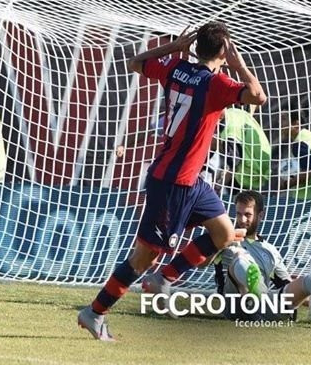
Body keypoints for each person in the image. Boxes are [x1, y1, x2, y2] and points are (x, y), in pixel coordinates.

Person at [77, 22, 267, 341]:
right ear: (224, 51)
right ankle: (94, 313)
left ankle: (164, 279)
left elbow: (135, 62)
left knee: (224, 232)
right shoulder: (216, 83)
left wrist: (173, 48)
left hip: (191, 180)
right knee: (142, 258)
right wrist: (238, 64)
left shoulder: (176, 68)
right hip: (172, 182)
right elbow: (259, 97)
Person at [212, 190, 311, 329]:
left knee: (310, 279)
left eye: (247, 215)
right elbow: (203, 261)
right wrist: (221, 242)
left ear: (260, 215)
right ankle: (257, 293)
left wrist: (302, 298)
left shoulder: (270, 251)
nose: (242, 219)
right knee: (240, 259)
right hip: (234, 305)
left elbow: (285, 284)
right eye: (238, 214)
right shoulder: (225, 239)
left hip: (262, 305)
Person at [212, 107, 271, 193]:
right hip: (264, 169)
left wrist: (218, 185)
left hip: (250, 175)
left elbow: (234, 161)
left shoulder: (230, 128)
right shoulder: (236, 114)